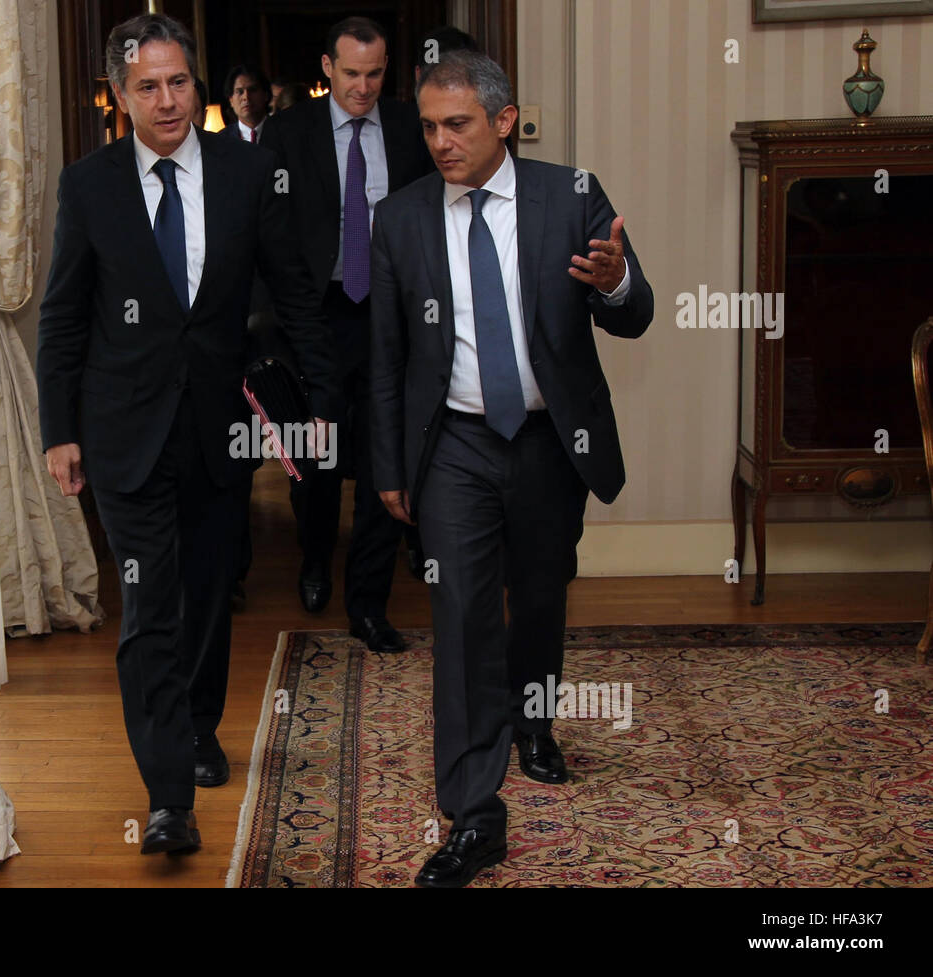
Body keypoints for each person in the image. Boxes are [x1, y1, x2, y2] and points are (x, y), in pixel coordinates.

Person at [36, 13, 338, 856]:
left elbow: (295, 292)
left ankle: (200, 726)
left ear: (195, 85)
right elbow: (61, 318)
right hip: (123, 432)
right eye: (147, 86)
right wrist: (59, 429)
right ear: (119, 95)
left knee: (208, 595)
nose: (167, 101)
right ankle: (167, 795)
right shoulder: (89, 185)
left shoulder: (250, 171)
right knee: (150, 610)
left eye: (178, 82)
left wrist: (317, 403)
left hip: (220, 430)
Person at [370, 50, 652, 887]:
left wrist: (616, 281)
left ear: (502, 120)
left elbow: (634, 314)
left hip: (546, 440)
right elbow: (384, 359)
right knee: (460, 610)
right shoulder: (403, 217)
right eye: (427, 126)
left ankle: (534, 721)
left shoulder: (571, 196)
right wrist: (388, 464)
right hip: (452, 443)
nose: (440, 142)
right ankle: (474, 811)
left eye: (456, 124)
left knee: (539, 589)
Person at [261, 15, 434, 652]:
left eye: (375, 73)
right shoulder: (285, 134)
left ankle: (368, 604)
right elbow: (267, 238)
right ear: (327, 69)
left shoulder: (409, 130)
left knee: (385, 457)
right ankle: (313, 560)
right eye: (351, 73)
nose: (363, 87)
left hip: (391, 315)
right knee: (318, 455)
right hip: (318, 317)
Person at [224, 64, 271, 142]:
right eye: (239, 92)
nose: (246, 97)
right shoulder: (222, 140)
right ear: (231, 100)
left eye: (252, 90)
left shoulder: (284, 133)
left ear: (265, 95)